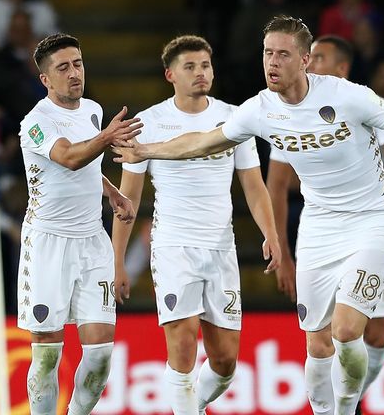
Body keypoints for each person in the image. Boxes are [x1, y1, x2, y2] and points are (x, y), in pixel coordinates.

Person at [114, 15, 384, 415]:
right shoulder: (259, 110)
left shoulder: (349, 96)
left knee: (347, 330)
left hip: (371, 219)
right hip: (318, 227)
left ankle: (347, 403)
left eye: (283, 54)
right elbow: (201, 142)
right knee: (317, 346)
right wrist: (147, 150)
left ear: (305, 60)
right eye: (267, 53)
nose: (272, 62)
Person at [111, 35, 280, 415]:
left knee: (224, 363)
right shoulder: (148, 124)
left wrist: (272, 233)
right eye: (190, 67)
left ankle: (191, 406)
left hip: (221, 248)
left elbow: (253, 186)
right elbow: (129, 198)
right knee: (184, 344)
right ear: (170, 74)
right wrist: (117, 258)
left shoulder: (234, 119)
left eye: (205, 65)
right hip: (173, 245)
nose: (200, 73)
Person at [265, 34, 384, 414]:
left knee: (376, 335)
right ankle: (339, 405)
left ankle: (353, 397)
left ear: (342, 68)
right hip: (323, 233)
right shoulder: (286, 111)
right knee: (326, 337)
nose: (309, 63)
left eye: (319, 57)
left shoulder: (366, 104)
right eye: (308, 57)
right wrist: (280, 245)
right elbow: (277, 186)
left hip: (369, 231)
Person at [17, 33, 142, 415]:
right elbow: (69, 157)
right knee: (47, 356)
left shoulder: (92, 109)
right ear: (46, 80)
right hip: (48, 244)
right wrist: (106, 138)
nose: (74, 73)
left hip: (92, 241)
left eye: (78, 63)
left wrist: (112, 192)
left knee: (101, 353)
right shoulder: (35, 123)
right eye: (63, 67)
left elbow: (87, 166)